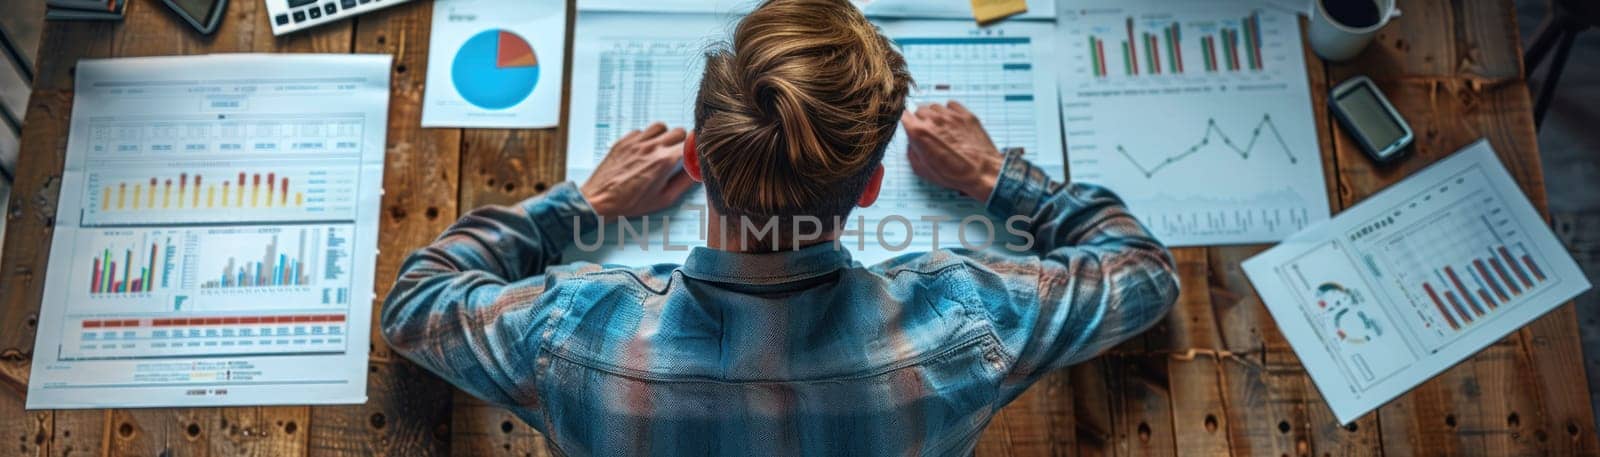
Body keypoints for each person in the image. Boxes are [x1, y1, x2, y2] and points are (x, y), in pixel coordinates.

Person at [381, 0, 1179, 454]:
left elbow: (414, 306)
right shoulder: (965, 322)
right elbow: (1143, 274)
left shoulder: (572, 334)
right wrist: (997, 178)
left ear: (694, 158)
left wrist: (582, 205)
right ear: (870, 188)